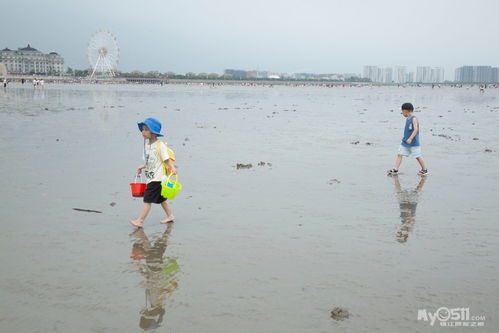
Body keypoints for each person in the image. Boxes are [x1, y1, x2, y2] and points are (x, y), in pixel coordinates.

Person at [130, 118, 177, 228]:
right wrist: (141, 167)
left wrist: (172, 168)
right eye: (142, 130)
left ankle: (140, 221)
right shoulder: (146, 145)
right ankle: (170, 216)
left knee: (147, 199)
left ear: (154, 132)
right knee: (162, 199)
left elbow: (166, 159)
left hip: (158, 178)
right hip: (151, 177)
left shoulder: (160, 145)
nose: (143, 132)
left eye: (146, 130)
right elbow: (149, 161)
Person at [387, 102, 428, 176]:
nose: (402, 113)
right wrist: (406, 139)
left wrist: (410, 138)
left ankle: (424, 170)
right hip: (405, 142)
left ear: (406, 111)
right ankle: (395, 169)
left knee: (417, 156)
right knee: (399, 154)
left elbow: (416, 129)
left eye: (402, 111)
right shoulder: (407, 118)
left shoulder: (414, 119)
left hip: (414, 142)